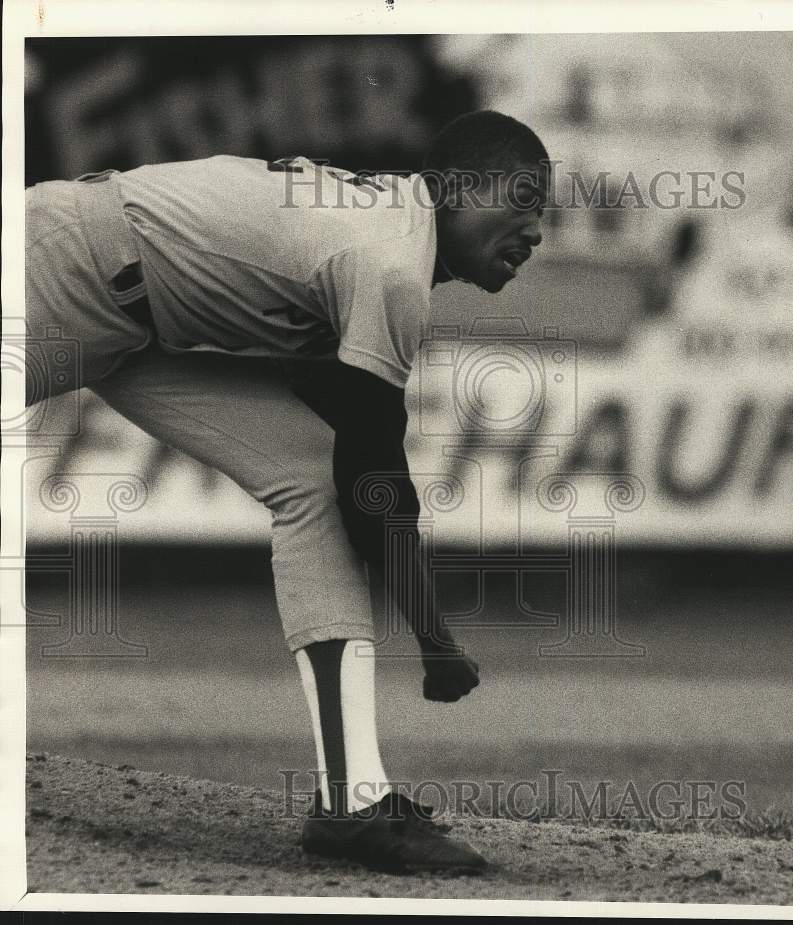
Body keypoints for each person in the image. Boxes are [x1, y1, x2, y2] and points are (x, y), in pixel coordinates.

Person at [24, 110, 551, 874]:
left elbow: (346, 445)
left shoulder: (392, 241)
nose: (536, 229)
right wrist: (434, 637)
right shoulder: (394, 260)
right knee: (338, 477)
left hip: (140, 322)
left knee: (309, 476)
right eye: (523, 199)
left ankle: (353, 802)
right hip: (62, 258)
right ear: (456, 188)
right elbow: (377, 477)